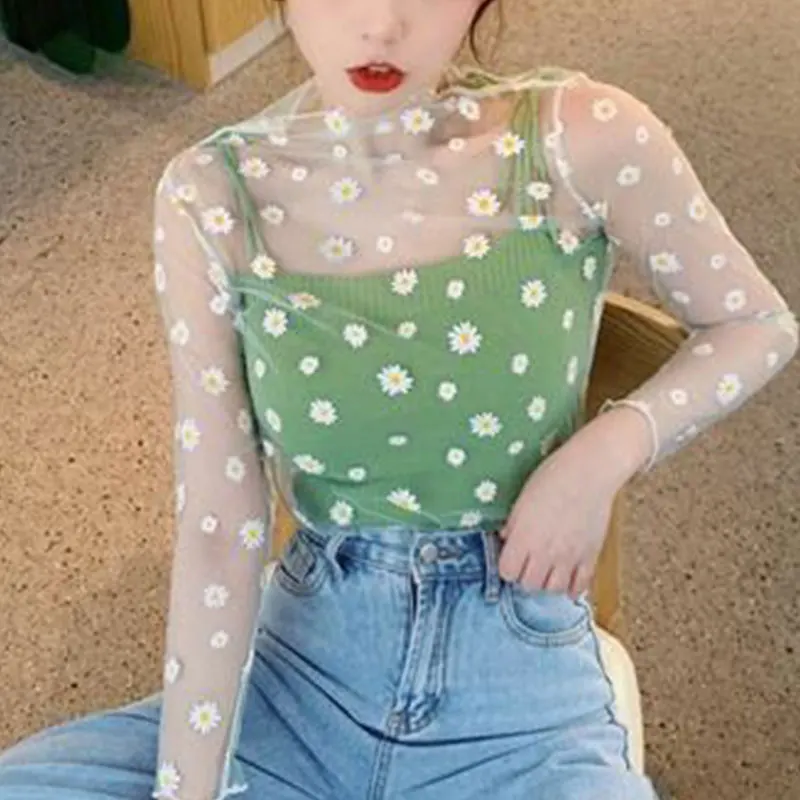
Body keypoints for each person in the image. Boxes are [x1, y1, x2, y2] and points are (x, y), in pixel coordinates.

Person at [1, 1, 797, 798]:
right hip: (300, 679)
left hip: (520, 702)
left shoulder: (579, 136)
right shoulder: (214, 195)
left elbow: (757, 323)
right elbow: (218, 529)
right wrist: (190, 791)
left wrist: (606, 451)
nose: (381, 23)